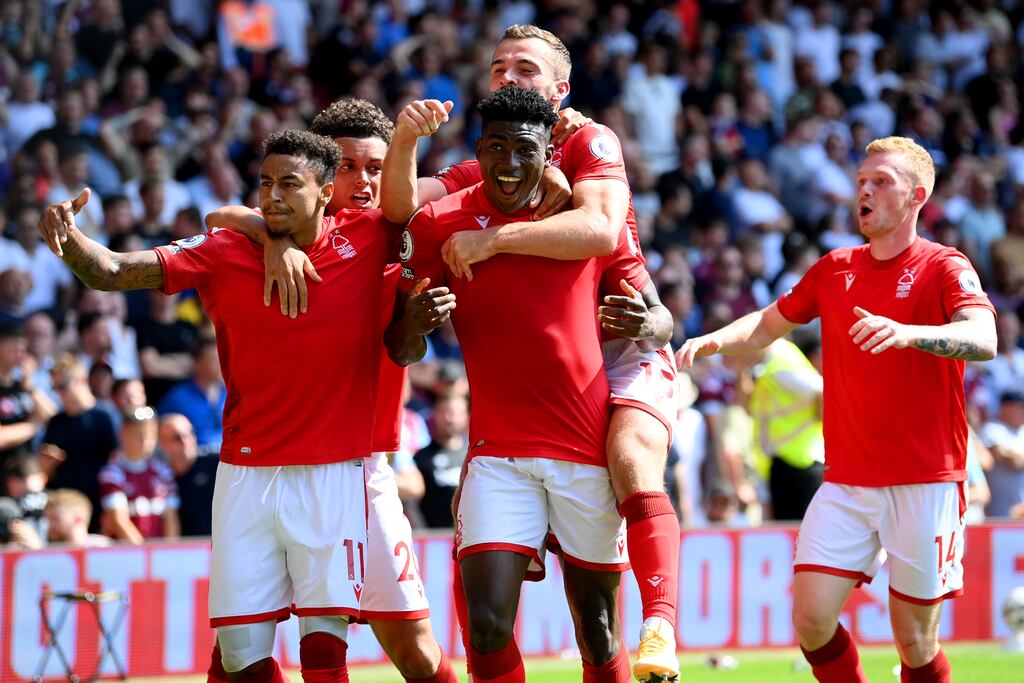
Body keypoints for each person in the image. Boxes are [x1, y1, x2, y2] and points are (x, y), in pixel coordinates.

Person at [38, 129, 393, 683]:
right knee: (241, 661)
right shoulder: (224, 251)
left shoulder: (369, 235)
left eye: (289, 184)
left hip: (333, 474)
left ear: (326, 192)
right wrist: (68, 238)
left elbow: (442, 205)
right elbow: (109, 271)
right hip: (245, 477)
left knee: (325, 657)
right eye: (265, 183)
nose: (272, 196)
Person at [382, 25, 681, 681]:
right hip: (512, 429)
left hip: (627, 337)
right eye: (498, 68)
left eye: (526, 68)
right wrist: (406, 139)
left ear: (560, 91)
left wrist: (495, 240)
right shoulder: (480, 170)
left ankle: (660, 624)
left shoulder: (591, 142)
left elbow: (603, 229)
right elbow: (404, 208)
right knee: (485, 617)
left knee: (630, 462)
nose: (510, 78)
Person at [677, 136, 997, 683]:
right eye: (860, 183)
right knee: (811, 620)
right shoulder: (834, 268)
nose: (864, 192)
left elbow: (984, 336)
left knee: (915, 642)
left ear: (917, 196)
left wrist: (908, 333)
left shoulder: (944, 265)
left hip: (925, 479)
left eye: (880, 182)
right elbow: (768, 322)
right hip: (847, 480)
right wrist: (712, 340)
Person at [204, 98, 457, 683]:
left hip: (362, 467)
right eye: (348, 167)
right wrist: (270, 236)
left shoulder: (390, 236)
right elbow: (220, 217)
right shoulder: (272, 229)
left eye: (376, 167)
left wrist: (416, 325)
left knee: (413, 644)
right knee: (241, 647)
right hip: (271, 464)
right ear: (317, 172)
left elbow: (405, 349)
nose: (365, 182)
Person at [42, 353, 119, 531]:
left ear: (81, 381)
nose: (59, 393)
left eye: (63, 386)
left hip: (99, 504)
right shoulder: (56, 422)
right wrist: (49, 463)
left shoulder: (104, 416)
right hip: (64, 510)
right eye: (55, 388)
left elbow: (115, 461)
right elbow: (45, 471)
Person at [98, 405, 180, 543]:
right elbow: (119, 521)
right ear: (122, 434)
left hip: (158, 555)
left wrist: (168, 552)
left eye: (151, 435)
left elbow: (171, 518)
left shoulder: (164, 471)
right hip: (128, 556)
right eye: (138, 434)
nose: (145, 441)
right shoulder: (112, 473)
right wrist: (144, 555)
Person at [158, 413, 216, 536]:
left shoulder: (216, 465)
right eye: (177, 437)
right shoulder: (158, 475)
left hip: (215, 547)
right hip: (181, 551)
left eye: (190, 433)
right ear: (162, 443)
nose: (185, 440)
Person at [45, 488, 111, 547]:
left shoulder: (103, 548)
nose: (48, 524)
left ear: (79, 519)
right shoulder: (47, 554)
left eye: (55, 519)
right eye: (47, 519)